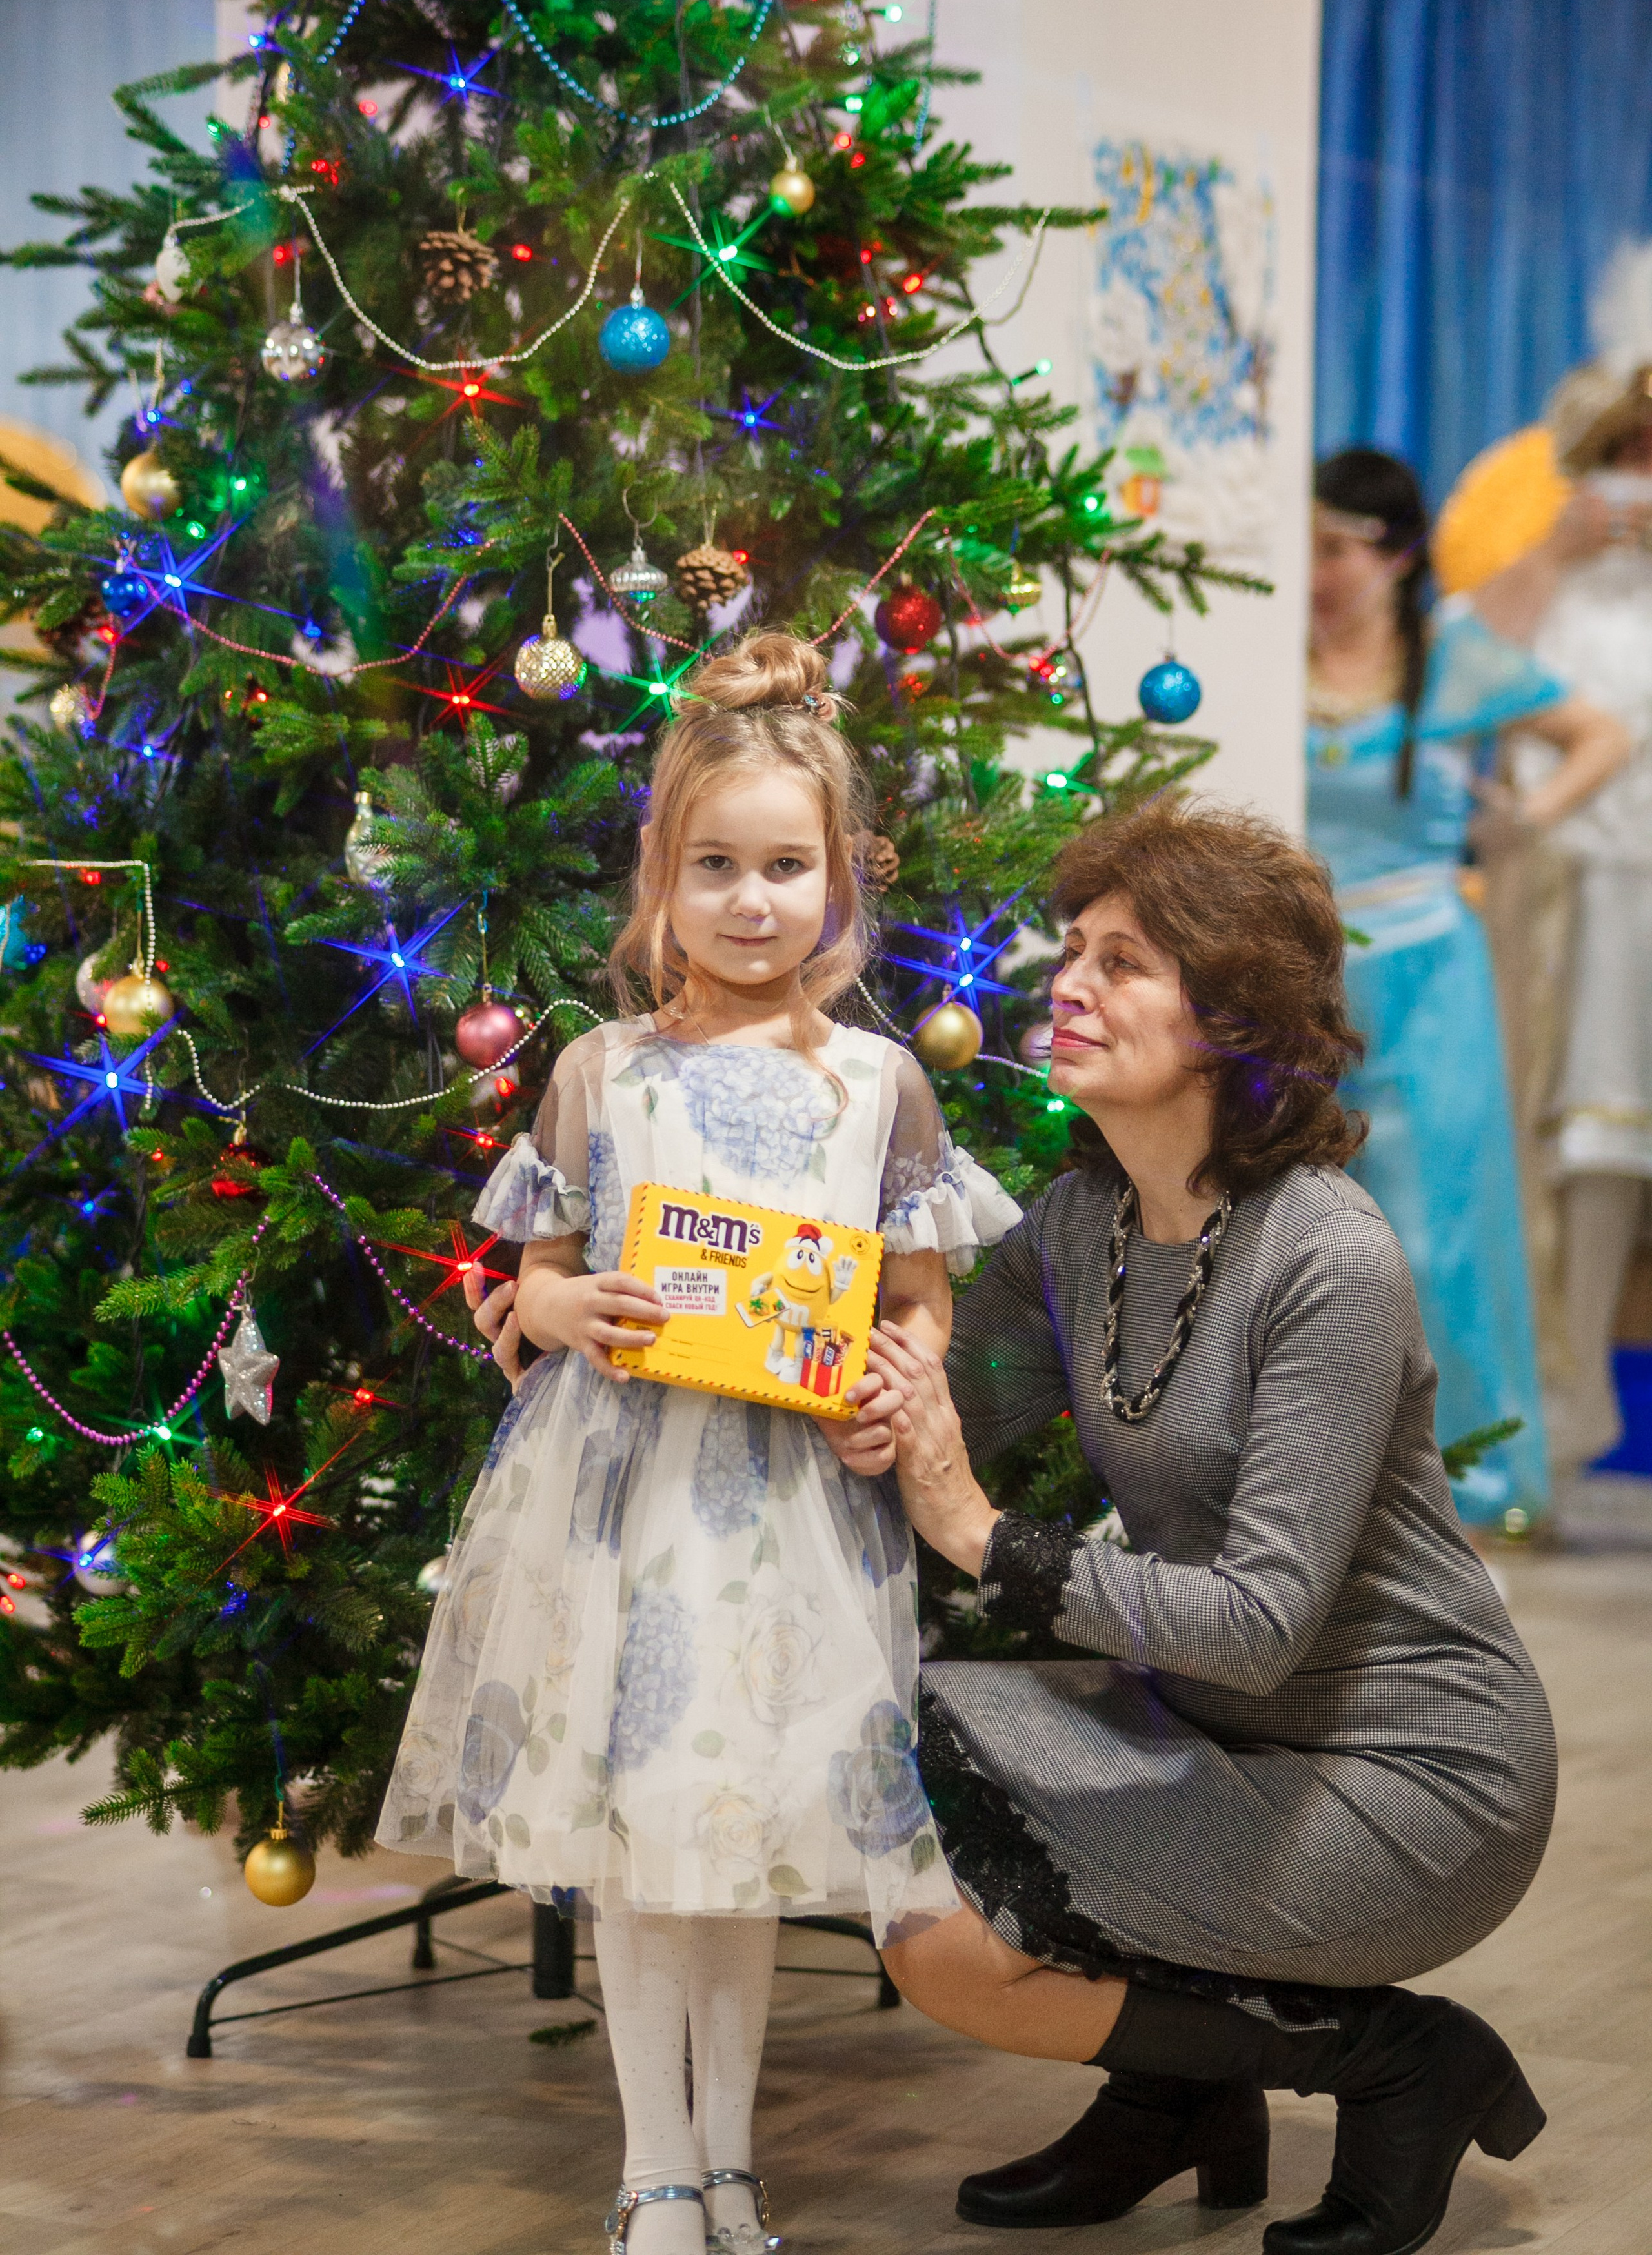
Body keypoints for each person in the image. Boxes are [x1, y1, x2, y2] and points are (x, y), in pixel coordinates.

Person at [825, 798, 1558, 2255]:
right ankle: (1177, 2094)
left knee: (944, 1933)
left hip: (1411, 1783)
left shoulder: (1326, 1258)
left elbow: (1255, 1617)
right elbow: (927, 1406)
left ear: (1232, 1015)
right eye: (1072, 950)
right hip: (1224, 1733)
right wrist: (614, 1312)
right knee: (885, 1757)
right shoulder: (1078, 1226)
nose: (1067, 983)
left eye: (1124, 962)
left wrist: (983, 1536)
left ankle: (1396, 2061)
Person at [378, 629, 1018, 2255]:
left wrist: (898, 1380)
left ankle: (730, 2161)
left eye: (785, 868)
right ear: (662, 878)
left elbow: (920, 1300)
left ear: (840, 882)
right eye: (715, 866)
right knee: (647, 1838)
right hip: (632, 1504)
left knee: (739, 1837)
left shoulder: (881, 1087)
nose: (751, 901)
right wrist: (571, 1309)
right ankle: (651, 2166)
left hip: (799, 1511)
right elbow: (529, 1279)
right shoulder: (604, 1072)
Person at [1307, 447, 1629, 1532]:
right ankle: (1323, 1475)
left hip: (1428, 966)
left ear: (1396, 558)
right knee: (1306, 1229)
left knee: (1439, 1224)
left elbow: (1604, 734)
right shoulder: (1268, 654)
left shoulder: (1450, 655)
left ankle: (1477, 1480)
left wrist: (1522, 823)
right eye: (1309, 545)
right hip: (1302, 975)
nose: (1320, 571)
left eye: (1342, 549)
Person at [1458, 355, 1652, 1481]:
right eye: (1623, 457)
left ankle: (1577, 1397)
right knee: (1559, 1135)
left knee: (1608, 1139)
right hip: (1562, 894)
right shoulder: (1548, 587)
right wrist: (1555, 553)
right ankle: (1545, 1411)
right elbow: (1465, 655)